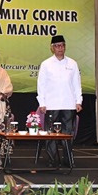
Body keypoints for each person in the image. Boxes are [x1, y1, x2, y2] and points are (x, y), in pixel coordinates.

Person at [36, 35, 82, 167]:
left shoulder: (72, 63)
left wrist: (78, 101)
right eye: (56, 46)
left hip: (69, 104)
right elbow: (41, 85)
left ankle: (68, 160)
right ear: (52, 48)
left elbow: (77, 84)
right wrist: (42, 103)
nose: (59, 48)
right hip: (52, 105)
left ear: (65, 47)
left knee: (68, 134)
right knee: (51, 134)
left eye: (62, 45)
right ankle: (53, 160)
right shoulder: (46, 64)